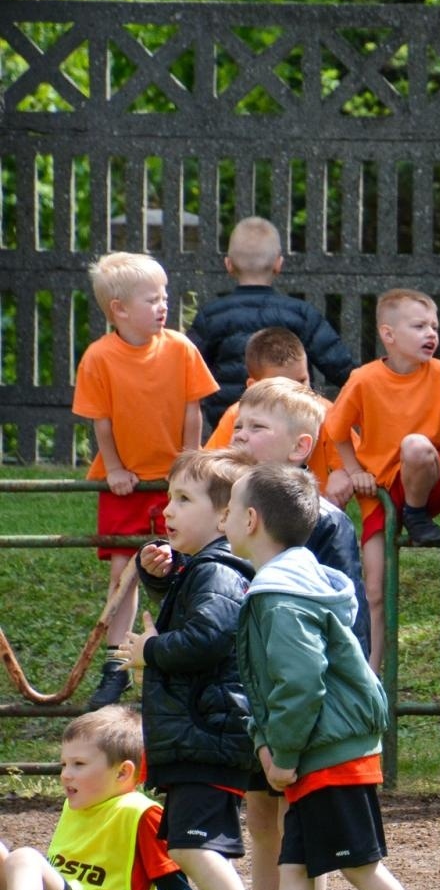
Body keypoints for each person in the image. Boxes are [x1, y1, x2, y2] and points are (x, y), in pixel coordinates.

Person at [218, 463, 440, 890]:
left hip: (327, 756)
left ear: (250, 519)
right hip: (326, 753)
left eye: (228, 506)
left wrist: (280, 753)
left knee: (362, 869)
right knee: (296, 875)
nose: (221, 516)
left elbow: (300, 683)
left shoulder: (280, 596)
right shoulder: (288, 582)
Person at [229, 376, 371, 890]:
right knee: (259, 818)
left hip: (298, 702)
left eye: (256, 428)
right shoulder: (224, 506)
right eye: (238, 425)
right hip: (244, 697)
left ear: (300, 447)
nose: (240, 436)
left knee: (297, 826)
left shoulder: (325, 524)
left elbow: (341, 618)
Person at [110, 449, 265, 890]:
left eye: (184, 499)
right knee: (204, 850)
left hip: (208, 730)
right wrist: (162, 583)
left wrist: (150, 649)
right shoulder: (200, 569)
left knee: (191, 848)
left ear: (224, 517)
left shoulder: (218, 571)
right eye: (169, 497)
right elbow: (199, 620)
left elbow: (209, 638)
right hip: (201, 730)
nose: (167, 510)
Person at [73, 251, 219, 710]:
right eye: (152, 298)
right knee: (126, 573)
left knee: (182, 570)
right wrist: (115, 468)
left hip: (173, 479)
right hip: (129, 484)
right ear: (119, 309)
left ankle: (176, 659)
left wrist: (189, 461)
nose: (163, 306)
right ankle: (117, 665)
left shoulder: (180, 348)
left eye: (165, 296)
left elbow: (193, 408)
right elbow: (102, 422)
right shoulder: (99, 357)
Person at [323, 288, 440, 670]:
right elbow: (336, 428)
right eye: (419, 326)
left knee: (415, 446)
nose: (431, 333)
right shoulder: (365, 379)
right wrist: (353, 472)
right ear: (389, 334)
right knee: (375, 589)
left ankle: (417, 516)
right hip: (381, 492)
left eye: (434, 326)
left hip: (426, 481)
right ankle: (371, 672)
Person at [0, 707, 186, 890]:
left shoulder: (141, 813)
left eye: (79, 764)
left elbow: (175, 886)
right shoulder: (76, 805)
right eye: (64, 764)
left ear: (123, 772)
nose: (65, 774)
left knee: (25, 857)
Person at [187, 217, 354, 430]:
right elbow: (343, 371)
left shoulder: (212, 316)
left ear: (228, 264)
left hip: (234, 426)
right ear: (278, 263)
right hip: (292, 426)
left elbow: (187, 370)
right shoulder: (300, 314)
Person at [205, 327, 350, 504]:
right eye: (282, 385)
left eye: (302, 380)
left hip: (313, 515)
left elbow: (358, 460)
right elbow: (209, 468)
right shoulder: (237, 415)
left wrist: (343, 473)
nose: (298, 391)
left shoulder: (323, 412)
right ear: (253, 385)